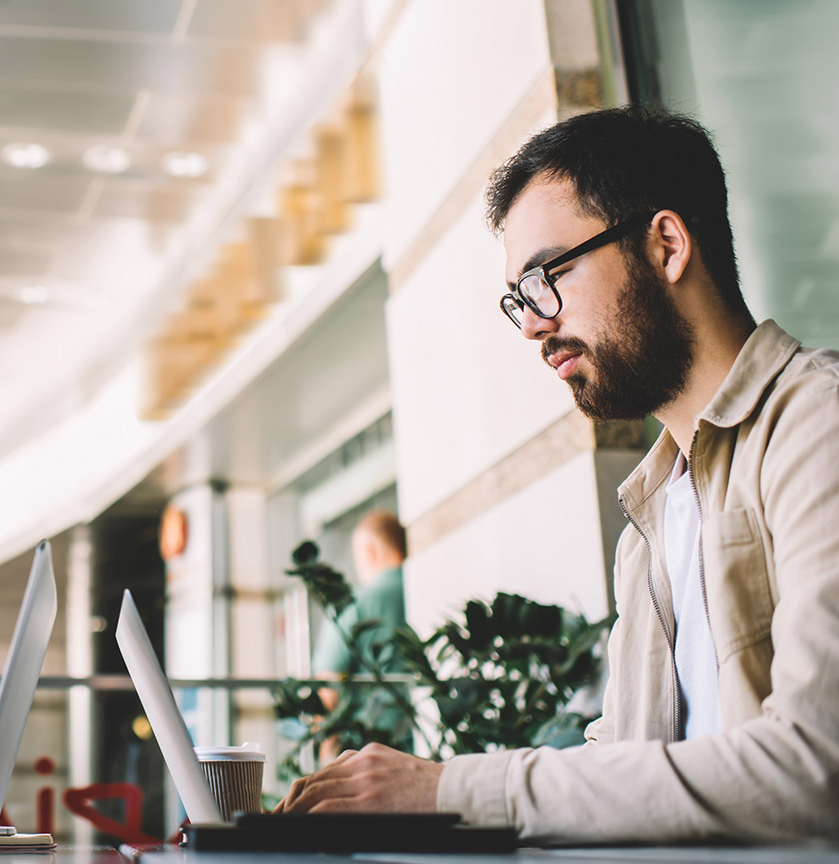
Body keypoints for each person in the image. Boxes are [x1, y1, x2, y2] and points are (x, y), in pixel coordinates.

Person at [280, 106, 839, 844]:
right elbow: (629, 768)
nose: (534, 326)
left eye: (548, 277)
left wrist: (452, 788)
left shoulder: (816, 426)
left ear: (667, 245)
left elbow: (815, 764)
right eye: (520, 298)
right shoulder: (652, 513)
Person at [312, 510, 409, 754]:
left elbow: (327, 690)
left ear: (369, 551)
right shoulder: (424, 587)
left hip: (371, 749)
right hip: (425, 742)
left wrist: (327, 759)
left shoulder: (355, 603)